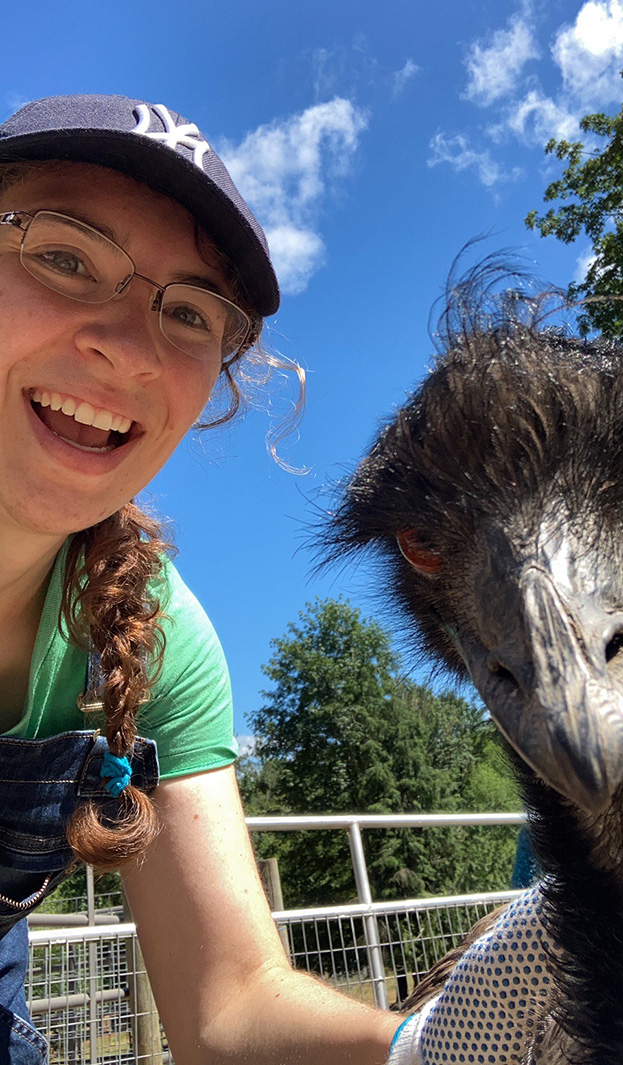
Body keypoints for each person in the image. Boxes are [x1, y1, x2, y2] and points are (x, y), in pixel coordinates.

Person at [0, 93, 402, 1064]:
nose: (130, 349)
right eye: (65, 257)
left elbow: (228, 1009)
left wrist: (460, 1040)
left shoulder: (157, 636)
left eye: (187, 313)